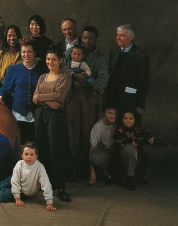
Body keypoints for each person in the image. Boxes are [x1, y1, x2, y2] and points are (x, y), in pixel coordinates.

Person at [63, 26, 109, 179]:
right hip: (72, 97)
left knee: (87, 133)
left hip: (90, 98)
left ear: (96, 40)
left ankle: (86, 168)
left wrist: (86, 83)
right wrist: (75, 77)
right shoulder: (71, 52)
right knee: (71, 132)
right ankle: (72, 168)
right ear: (81, 38)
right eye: (84, 37)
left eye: (90, 38)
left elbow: (102, 82)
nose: (87, 41)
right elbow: (61, 68)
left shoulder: (100, 59)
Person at [33, 45, 72, 202]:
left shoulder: (65, 76)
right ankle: (45, 185)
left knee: (56, 150)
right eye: (48, 59)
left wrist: (42, 97)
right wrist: (48, 101)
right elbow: (34, 97)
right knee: (42, 148)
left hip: (57, 115)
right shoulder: (42, 77)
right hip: (41, 113)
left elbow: (59, 95)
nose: (50, 61)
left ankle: (60, 187)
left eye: (54, 59)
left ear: (60, 60)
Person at [0, 40, 45, 145]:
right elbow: (5, 88)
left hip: (37, 114)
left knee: (36, 144)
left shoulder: (41, 70)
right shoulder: (13, 69)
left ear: (34, 52)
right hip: (18, 113)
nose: (26, 55)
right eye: (23, 52)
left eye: (29, 52)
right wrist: (1, 96)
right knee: (20, 143)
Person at [0, 142, 56, 212]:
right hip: (14, 180)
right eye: (26, 154)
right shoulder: (19, 164)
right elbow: (15, 181)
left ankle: (8, 190)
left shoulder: (40, 167)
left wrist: (49, 203)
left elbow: (46, 184)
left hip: (24, 191)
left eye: (32, 154)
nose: (29, 157)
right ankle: (1, 186)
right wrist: (17, 199)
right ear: (22, 155)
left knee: (1, 196)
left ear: (36, 156)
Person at [106, 24, 149, 114]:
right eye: (117, 34)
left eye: (122, 35)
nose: (118, 37)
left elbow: (143, 82)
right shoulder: (114, 51)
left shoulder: (141, 56)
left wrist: (140, 105)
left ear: (131, 37)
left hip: (130, 101)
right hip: (113, 99)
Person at [114, 110, 154, 190]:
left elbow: (145, 135)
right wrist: (134, 141)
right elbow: (119, 140)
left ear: (134, 120)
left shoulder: (137, 128)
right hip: (122, 150)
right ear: (122, 120)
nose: (128, 120)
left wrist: (149, 139)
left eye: (130, 118)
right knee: (128, 153)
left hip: (136, 148)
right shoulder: (119, 129)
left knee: (145, 158)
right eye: (125, 118)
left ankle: (140, 175)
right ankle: (129, 178)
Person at [88, 106, 117, 185]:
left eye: (115, 113)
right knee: (95, 156)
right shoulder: (97, 127)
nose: (113, 116)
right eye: (110, 113)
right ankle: (106, 175)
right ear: (104, 114)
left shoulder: (120, 123)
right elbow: (92, 148)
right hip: (106, 152)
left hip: (118, 152)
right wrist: (92, 173)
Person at [0, 25, 22, 97]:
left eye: (14, 35)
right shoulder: (0, 55)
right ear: (6, 37)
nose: (12, 38)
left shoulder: (24, 54)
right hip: (4, 94)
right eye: (9, 35)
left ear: (19, 37)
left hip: (21, 93)